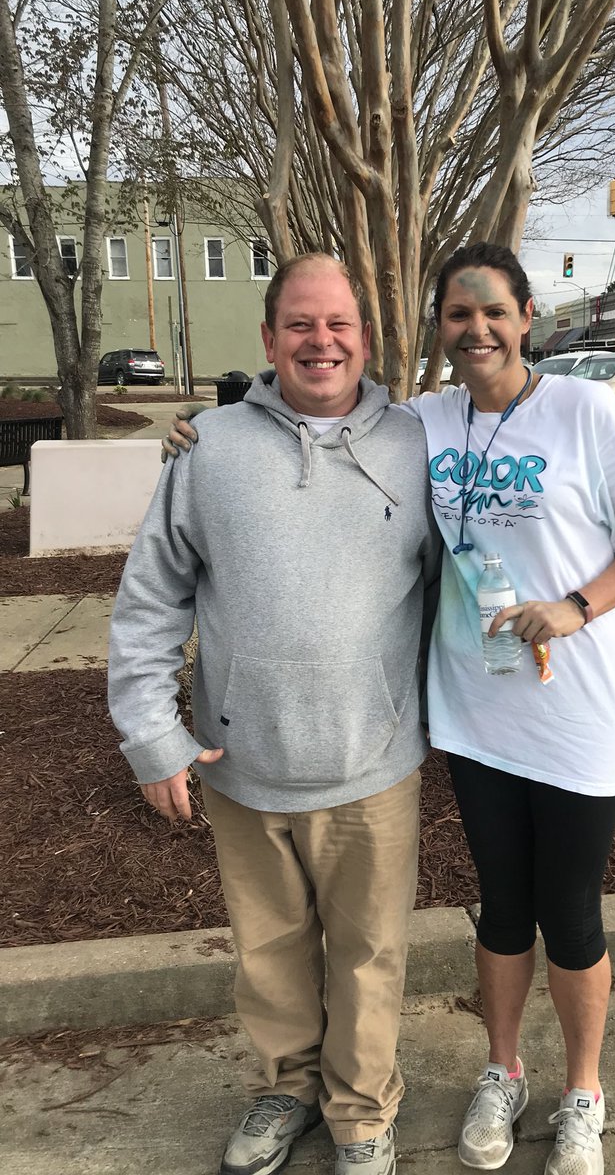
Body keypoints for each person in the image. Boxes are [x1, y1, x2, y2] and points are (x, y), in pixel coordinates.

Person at [166, 242, 615, 1175]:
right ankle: (502, 1070)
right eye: (457, 314)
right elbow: (323, 424)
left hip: (575, 714)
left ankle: (585, 1093)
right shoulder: (424, 424)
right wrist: (207, 432)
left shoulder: (586, 410)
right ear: (437, 329)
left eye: (494, 311)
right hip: (476, 716)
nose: (476, 328)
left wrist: (574, 608)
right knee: (500, 911)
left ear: (528, 316)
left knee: (572, 914)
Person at [109, 253, 440, 1175]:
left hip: (372, 762)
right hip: (237, 760)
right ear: (268, 339)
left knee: (370, 958)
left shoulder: (418, 445)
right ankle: (286, 1089)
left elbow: (476, 576)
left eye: (338, 323)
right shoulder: (207, 449)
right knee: (268, 953)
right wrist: (151, 737)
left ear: (366, 339)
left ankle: (363, 1112)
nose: (320, 341)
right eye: (300, 323)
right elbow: (149, 603)